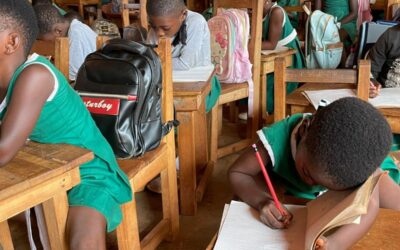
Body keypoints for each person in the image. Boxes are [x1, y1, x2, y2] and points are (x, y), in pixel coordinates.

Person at [0, 0, 131, 249]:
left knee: (83, 243)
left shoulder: (34, 76)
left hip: (89, 173)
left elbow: (3, 150)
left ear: (12, 42)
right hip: (42, 170)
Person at [229, 97, 400, 249]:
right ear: (303, 130)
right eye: (308, 173)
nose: (312, 184)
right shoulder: (277, 139)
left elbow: (372, 204)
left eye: (328, 187)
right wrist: (261, 201)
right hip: (294, 203)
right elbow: (237, 172)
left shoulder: (357, 162)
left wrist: (335, 244)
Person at [145, 0, 220, 193]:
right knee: (147, 108)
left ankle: (176, 165)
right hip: (166, 86)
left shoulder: (196, 22)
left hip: (200, 87)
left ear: (183, 15)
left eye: (165, 28)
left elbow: (185, 64)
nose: (159, 33)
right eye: (154, 26)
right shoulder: (157, 24)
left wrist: (156, 60)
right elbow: (149, 58)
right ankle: (159, 160)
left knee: (173, 111)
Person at [34, 4, 97, 81]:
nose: (51, 44)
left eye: (49, 41)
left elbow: (72, 76)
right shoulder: (74, 29)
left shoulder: (76, 33)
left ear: (58, 31)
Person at [262, 0, 304, 113]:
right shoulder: (259, 12)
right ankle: (257, 107)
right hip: (275, 54)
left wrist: (245, 45)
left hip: (290, 59)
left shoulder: (276, 12)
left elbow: (271, 44)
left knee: (269, 84)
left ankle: (265, 110)